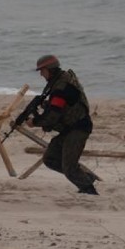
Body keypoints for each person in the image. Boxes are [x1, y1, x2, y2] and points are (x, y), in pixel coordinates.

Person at [26, 55, 99, 195]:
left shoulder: (61, 86)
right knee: (50, 159)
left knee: (69, 168)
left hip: (78, 129)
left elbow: (53, 115)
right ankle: (86, 179)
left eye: (42, 70)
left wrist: (35, 122)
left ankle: (89, 190)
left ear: (50, 69)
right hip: (68, 129)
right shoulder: (60, 81)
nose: (41, 74)